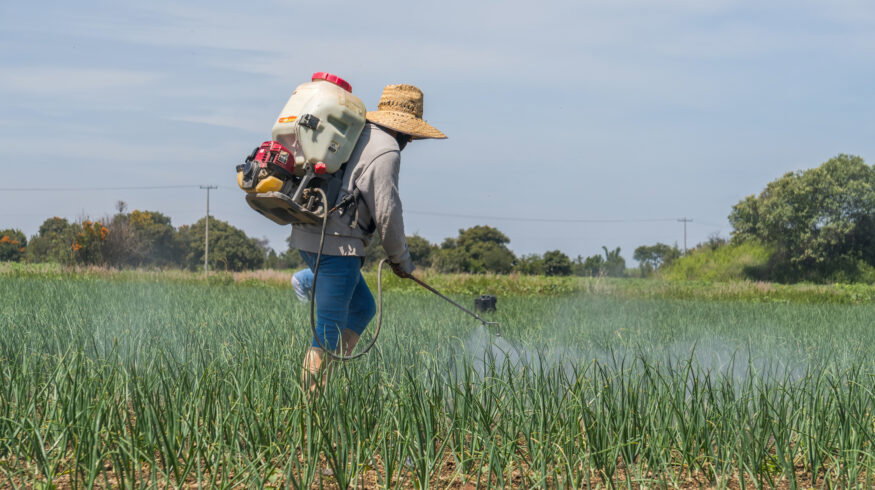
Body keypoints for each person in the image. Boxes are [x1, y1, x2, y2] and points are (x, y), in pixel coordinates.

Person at [289, 83, 447, 389]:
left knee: (362, 307)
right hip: (336, 244)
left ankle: (326, 385)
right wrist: (401, 260)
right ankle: (308, 408)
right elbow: (387, 211)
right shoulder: (385, 149)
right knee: (326, 331)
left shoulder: (356, 131)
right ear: (408, 129)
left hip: (309, 234)